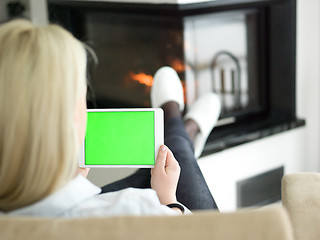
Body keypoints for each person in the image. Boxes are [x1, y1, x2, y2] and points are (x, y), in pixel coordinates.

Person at [0, 19, 220, 217]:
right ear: (72, 120)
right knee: (177, 157)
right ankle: (178, 123)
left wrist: (63, 186)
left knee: (157, 161)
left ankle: (181, 127)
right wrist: (168, 201)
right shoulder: (136, 209)